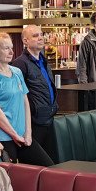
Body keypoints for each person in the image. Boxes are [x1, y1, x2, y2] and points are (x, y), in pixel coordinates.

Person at [0, 31, 54, 166]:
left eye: (11, 48)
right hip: (3, 137)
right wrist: (14, 135)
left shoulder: (16, 72)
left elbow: (25, 101)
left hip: (22, 135)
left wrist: (28, 132)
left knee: (48, 167)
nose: (11, 52)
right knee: (11, 174)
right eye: (6, 48)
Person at [12, 24, 58, 159]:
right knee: (35, 163)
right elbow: (19, 96)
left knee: (53, 162)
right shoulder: (20, 63)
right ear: (25, 41)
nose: (40, 38)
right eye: (35, 35)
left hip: (49, 118)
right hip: (33, 122)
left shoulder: (43, 60)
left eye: (41, 35)